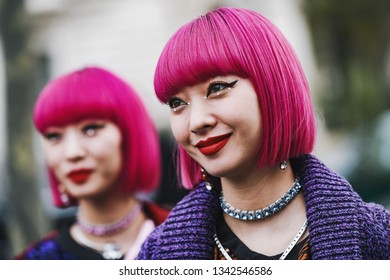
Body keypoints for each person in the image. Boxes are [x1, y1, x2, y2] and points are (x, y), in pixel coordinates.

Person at [137, 7, 390, 260]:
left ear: (273, 86)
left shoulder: (377, 237)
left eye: (216, 88)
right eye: (176, 104)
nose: (196, 122)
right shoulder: (157, 254)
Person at [16, 66, 169, 260]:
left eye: (90, 129)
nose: (72, 153)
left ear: (129, 135)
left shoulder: (194, 235)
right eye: (54, 136)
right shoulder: (34, 263)